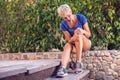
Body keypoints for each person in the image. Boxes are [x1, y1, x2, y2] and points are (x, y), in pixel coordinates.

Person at [57, 4, 91, 77]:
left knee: (79, 36)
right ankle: (63, 68)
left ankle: (78, 63)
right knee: (67, 45)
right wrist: (74, 36)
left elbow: (89, 34)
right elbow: (69, 40)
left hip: (85, 44)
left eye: (69, 16)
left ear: (71, 12)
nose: (68, 19)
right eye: (65, 18)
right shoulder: (63, 25)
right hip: (75, 46)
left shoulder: (81, 17)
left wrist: (82, 31)